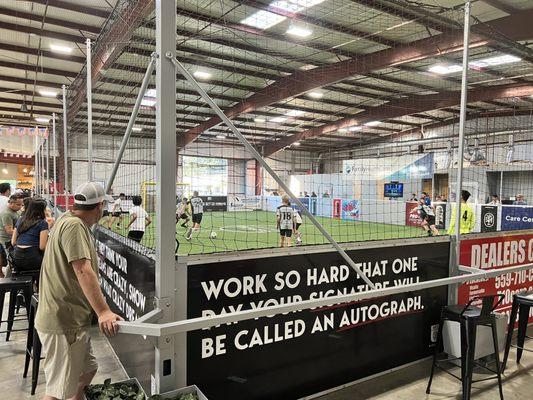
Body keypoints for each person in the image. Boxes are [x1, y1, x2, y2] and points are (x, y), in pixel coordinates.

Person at [35, 182, 122, 400]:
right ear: (100, 205)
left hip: (67, 317)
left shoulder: (66, 218)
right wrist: (103, 312)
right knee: (57, 393)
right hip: (64, 321)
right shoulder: (74, 226)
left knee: (87, 371)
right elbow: (83, 269)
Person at [11, 197, 49, 274]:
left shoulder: (21, 220)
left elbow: (13, 242)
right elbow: (42, 247)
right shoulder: (42, 223)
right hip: (33, 258)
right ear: (41, 210)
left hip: (17, 258)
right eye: (45, 209)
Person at [0, 194, 23, 278]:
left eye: (21, 204)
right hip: (7, 240)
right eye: (18, 204)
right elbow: (9, 231)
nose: (20, 207)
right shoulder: (6, 213)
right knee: (11, 260)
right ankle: (8, 280)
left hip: (15, 238)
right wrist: (24, 231)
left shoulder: (16, 210)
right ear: (11, 203)